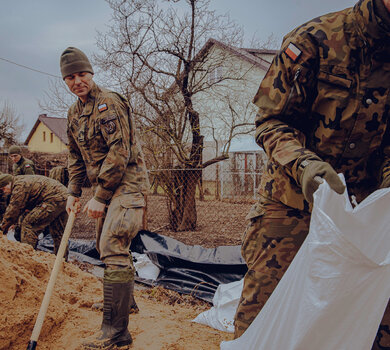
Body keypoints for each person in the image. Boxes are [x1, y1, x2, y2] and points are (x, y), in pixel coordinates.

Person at [233, 0, 390, 348]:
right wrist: (304, 164)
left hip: (364, 214)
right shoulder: (315, 40)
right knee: (266, 313)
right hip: (291, 203)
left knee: (373, 313)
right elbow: (270, 121)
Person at [60, 47, 149, 349]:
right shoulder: (73, 113)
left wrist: (98, 196)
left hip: (127, 182)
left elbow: (119, 152)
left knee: (112, 244)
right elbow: (74, 156)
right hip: (105, 187)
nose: (77, 81)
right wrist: (73, 192)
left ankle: (117, 331)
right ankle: (127, 304)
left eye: (81, 74)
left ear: (91, 73)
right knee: (104, 245)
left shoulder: (107, 103)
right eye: (70, 77)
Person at [0, 174, 68, 257]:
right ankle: (62, 261)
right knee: (58, 232)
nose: (4, 191)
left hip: (53, 199)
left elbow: (14, 209)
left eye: (3, 188)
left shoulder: (19, 186)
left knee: (28, 224)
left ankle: (28, 258)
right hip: (64, 198)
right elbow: (21, 208)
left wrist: (2, 228)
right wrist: (12, 223)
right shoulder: (21, 180)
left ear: (8, 183)